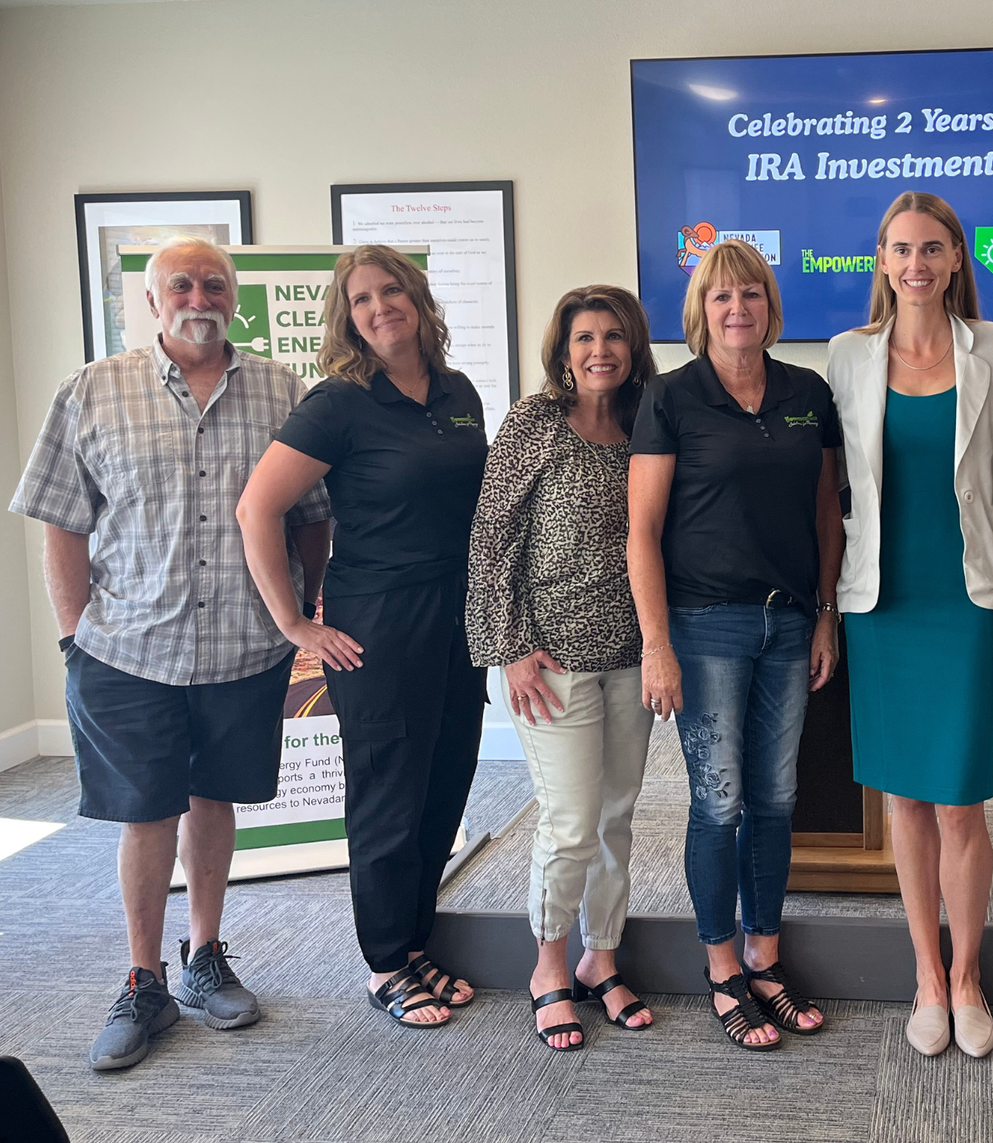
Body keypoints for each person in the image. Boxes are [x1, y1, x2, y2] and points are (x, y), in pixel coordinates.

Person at [10, 235, 332, 1070]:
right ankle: (142, 976)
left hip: (242, 644)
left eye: (214, 284)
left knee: (212, 798)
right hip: (126, 647)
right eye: (181, 284)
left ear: (235, 298)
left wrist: (302, 604)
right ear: (152, 301)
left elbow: (311, 514)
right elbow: (62, 521)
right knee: (145, 809)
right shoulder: (91, 390)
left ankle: (205, 956)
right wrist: (76, 635)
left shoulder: (279, 390)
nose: (199, 296)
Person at [236, 245, 489, 1028]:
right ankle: (385, 963)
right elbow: (257, 508)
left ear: (417, 297)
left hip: (458, 615)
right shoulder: (337, 402)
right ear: (346, 316)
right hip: (377, 623)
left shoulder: (457, 390)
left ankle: (417, 943)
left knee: (444, 780)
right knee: (387, 792)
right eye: (362, 298)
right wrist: (294, 621)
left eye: (391, 291)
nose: (380, 306)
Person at [628, 238, 843, 1051]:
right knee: (720, 803)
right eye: (721, 297)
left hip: (788, 622)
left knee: (777, 799)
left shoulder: (807, 393)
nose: (737, 308)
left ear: (771, 306)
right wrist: (657, 643)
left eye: (751, 294)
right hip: (703, 624)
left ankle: (765, 953)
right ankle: (721, 963)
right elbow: (641, 531)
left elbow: (828, 513)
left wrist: (823, 613)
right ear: (700, 312)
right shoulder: (671, 399)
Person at [826, 192, 993, 1059]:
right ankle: (925, 976)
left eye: (932, 248)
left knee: (960, 800)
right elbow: (831, 489)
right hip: (881, 598)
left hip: (968, 596)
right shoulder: (847, 355)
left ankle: (969, 972)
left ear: (954, 258)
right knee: (903, 794)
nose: (916, 263)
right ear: (880, 258)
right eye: (900, 248)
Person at [465, 285, 658, 1051]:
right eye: (585, 337)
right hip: (551, 661)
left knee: (615, 818)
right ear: (564, 348)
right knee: (571, 822)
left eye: (614, 336)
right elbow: (489, 539)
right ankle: (548, 966)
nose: (600, 350)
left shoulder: (648, 420)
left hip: (630, 657)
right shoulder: (534, 422)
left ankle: (599, 955)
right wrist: (509, 647)